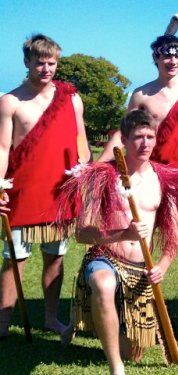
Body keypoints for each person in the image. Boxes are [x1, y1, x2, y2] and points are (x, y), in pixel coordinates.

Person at [57, 109, 178, 375]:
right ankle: (115, 367)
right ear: (124, 140)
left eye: (150, 136)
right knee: (103, 284)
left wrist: (164, 266)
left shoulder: (165, 180)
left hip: (140, 269)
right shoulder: (102, 177)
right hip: (105, 258)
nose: (145, 143)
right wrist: (124, 234)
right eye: (138, 137)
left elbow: (174, 236)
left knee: (132, 352)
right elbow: (82, 233)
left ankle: (75, 320)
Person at [98, 34, 178, 327]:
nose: (173, 61)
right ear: (156, 59)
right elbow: (124, 135)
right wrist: (97, 167)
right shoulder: (142, 95)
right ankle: (130, 299)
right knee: (139, 235)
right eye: (166, 56)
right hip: (149, 176)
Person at [0, 34, 90, 338]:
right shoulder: (10, 101)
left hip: (59, 194)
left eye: (51, 63)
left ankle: (51, 318)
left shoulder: (72, 98)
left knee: (55, 258)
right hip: (20, 193)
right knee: (14, 260)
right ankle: (2, 322)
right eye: (40, 63)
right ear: (27, 62)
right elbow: (2, 148)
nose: (46, 69)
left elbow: (82, 144)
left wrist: (82, 167)